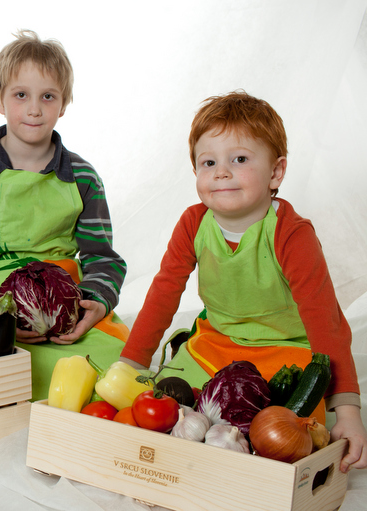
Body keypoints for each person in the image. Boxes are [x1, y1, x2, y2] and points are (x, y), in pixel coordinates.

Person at [119, 90, 367, 472]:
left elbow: (324, 320)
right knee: (173, 396)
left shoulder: (291, 234)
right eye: (208, 162)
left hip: (289, 349)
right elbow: (163, 293)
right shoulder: (193, 222)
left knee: (278, 424)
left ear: (276, 172)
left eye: (239, 159)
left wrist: (348, 410)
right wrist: (130, 363)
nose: (221, 171)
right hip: (219, 342)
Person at [0, 30, 128, 401]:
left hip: (64, 308)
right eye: (21, 95)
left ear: (64, 103)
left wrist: (90, 303)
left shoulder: (83, 178)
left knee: (118, 365)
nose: (34, 109)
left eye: (48, 96)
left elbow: (102, 258)